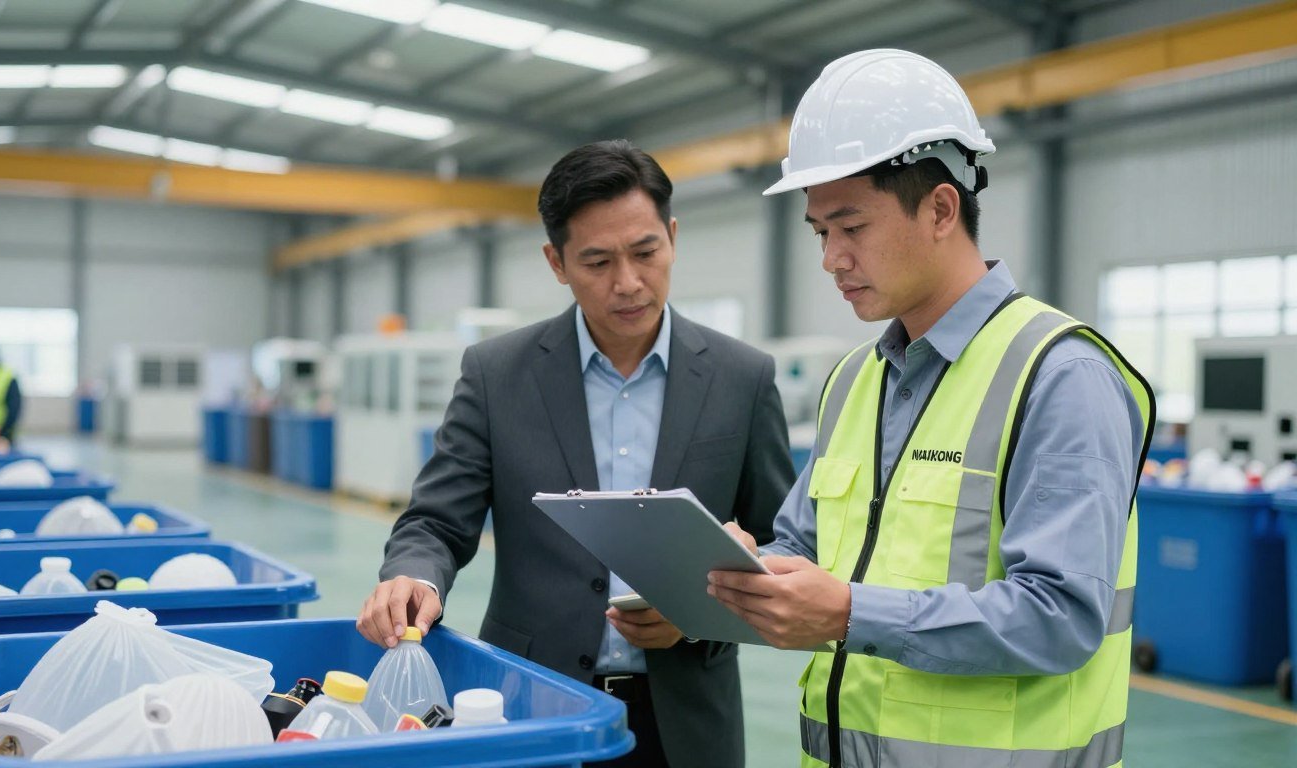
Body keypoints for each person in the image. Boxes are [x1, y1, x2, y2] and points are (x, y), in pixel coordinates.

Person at [707, 50, 1154, 768]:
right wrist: (745, 568)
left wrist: (849, 612)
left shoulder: (1059, 375)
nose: (831, 259)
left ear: (942, 209)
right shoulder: (853, 381)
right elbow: (808, 549)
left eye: (852, 228)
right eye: (820, 232)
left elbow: (1062, 617)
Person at [358, 140, 795, 767]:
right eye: (597, 261)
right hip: (536, 704)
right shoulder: (497, 375)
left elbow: (782, 543)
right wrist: (413, 576)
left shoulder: (742, 378)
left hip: (687, 721)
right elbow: (436, 521)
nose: (628, 282)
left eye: (646, 252)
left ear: (673, 237)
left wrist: (700, 611)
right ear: (556, 262)